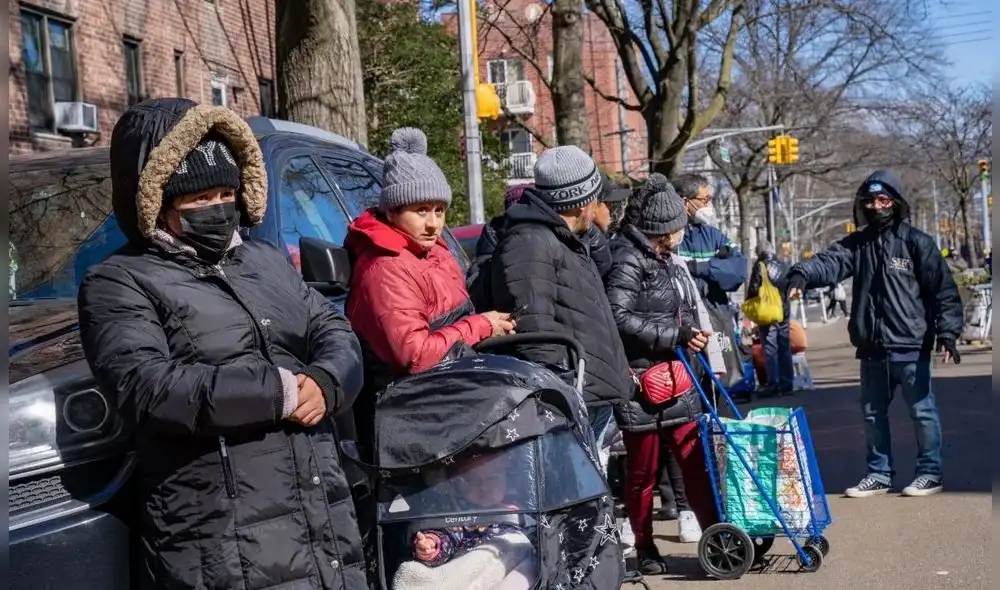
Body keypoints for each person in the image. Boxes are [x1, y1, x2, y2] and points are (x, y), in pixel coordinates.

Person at [77, 98, 368, 589]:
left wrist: (326, 381)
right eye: (198, 199)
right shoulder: (119, 282)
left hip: (319, 514)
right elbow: (147, 385)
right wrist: (278, 393)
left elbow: (333, 330)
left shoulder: (265, 260)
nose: (216, 208)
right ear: (157, 203)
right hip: (221, 536)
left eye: (224, 192)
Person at [786, 170, 964, 498]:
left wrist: (949, 332)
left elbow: (944, 291)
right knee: (872, 415)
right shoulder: (858, 244)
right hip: (872, 349)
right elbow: (829, 262)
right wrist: (801, 274)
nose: (876, 206)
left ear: (895, 203)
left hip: (911, 346)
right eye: (869, 200)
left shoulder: (917, 243)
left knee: (922, 412)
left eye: (883, 200)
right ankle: (879, 473)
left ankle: (930, 472)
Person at [345, 127, 516, 451]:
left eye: (439, 210)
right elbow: (415, 355)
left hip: (449, 400)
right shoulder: (385, 267)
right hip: (413, 417)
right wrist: (481, 325)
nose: (433, 223)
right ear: (393, 211)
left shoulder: (433, 252)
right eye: (420, 211)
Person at [473, 145, 632, 457]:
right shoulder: (530, 241)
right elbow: (533, 330)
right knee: (571, 491)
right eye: (595, 197)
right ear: (581, 202)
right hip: (570, 400)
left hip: (589, 394)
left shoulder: (563, 239)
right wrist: (564, 394)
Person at [605, 180, 726, 574]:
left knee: (695, 461)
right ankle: (645, 546)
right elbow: (618, 316)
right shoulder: (627, 258)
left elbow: (677, 308)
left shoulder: (664, 258)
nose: (684, 232)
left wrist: (692, 331)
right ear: (663, 227)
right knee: (642, 473)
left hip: (677, 377)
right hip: (641, 383)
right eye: (679, 227)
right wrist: (677, 335)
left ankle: (717, 537)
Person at [671, 174, 747, 309]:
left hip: (716, 314)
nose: (709, 205)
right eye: (705, 200)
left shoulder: (712, 235)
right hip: (684, 317)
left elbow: (739, 271)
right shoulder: (669, 237)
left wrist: (699, 268)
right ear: (685, 202)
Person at [747, 240, 794, 397]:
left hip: (768, 312)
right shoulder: (783, 264)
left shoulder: (760, 266)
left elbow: (753, 289)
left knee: (770, 348)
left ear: (759, 252)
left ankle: (773, 383)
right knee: (784, 347)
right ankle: (787, 383)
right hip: (784, 311)